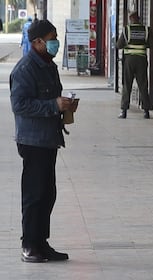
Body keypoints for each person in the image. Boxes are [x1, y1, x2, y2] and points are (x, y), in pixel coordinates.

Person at [10, 19, 75, 263]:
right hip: (32, 140)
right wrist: (53, 105)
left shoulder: (48, 65)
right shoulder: (25, 69)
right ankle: (29, 244)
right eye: (51, 39)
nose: (55, 43)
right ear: (37, 42)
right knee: (34, 194)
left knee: (48, 193)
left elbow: (52, 96)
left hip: (48, 138)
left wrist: (65, 105)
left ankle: (41, 242)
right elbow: (19, 104)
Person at [116, 12, 153, 119]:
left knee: (127, 85)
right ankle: (146, 111)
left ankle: (124, 111)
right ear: (139, 19)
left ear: (130, 19)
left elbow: (119, 45)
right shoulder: (146, 30)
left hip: (129, 60)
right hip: (142, 60)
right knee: (143, 85)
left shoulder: (126, 30)